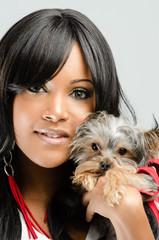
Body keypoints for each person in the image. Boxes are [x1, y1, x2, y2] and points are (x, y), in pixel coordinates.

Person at [0, 8, 157, 240]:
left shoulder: (146, 197)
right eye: (36, 88)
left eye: (79, 92)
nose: (55, 113)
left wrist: (130, 212)